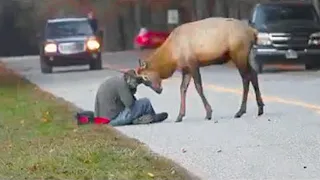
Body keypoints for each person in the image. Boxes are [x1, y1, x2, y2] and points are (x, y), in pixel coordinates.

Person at [94, 69, 168, 126]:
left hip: (101, 120)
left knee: (137, 106)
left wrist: (139, 82)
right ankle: (152, 117)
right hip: (112, 120)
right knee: (145, 102)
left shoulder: (116, 81)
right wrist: (133, 89)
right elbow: (130, 103)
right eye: (134, 82)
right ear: (128, 79)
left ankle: (142, 119)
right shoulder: (122, 84)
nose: (135, 84)